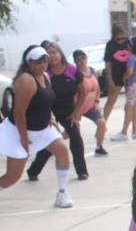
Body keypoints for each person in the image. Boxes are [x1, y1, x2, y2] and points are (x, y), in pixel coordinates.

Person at [0, 46, 73, 207]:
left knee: (61, 150)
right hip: (19, 131)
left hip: (43, 128)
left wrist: (51, 118)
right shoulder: (26, 80)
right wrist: (24, 138)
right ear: (30, 63)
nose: (44, 63)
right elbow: (19, 112)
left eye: (45, 59)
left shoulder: (46, 76)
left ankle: (62, 194)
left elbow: (46, 102)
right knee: (13, 176)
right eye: (39, 61)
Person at [26, 42, 88, 181]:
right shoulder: (44, 74)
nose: (52, 56)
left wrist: (76, 113)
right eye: (49, 53)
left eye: (54, 52)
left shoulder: (72, 70)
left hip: (68, 111)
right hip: (48, 110)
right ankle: (33, 171)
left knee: (75, 136)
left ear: (60, 53)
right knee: (52, 142)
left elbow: (83, 93)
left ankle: (82, 171)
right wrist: (49, 117)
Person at [113, 36, 136, 140]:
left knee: (129, 107)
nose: (127, 47)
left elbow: (129, 72)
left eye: (129, 45)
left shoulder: (132, 58)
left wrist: (124, 79)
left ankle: (124, 132)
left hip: (134, 84)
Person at [73, 49, 108, 156]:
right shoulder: (75, 74)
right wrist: (75, 111)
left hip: (91, 106)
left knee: (102, 124)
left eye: (83, 58)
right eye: (78, 60)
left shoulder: (92, 70)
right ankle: (52, 144)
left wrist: (97, 101)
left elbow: (97, 88)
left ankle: (99, 147)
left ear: (86, 58)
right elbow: (73, 93)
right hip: (78, 106)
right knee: (72, 131)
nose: (82, 61)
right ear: (75, 62)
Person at [102, 24, 130, 124]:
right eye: (118, 39)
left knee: (131, 102)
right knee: (111, 100)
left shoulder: (129, 42)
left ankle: (129, 127)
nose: (121, 40)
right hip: (116, 75)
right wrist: (110, 80)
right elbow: (108, 63)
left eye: (123, 37)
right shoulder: (110, 45)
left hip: (129, 74)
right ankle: (102, 124)